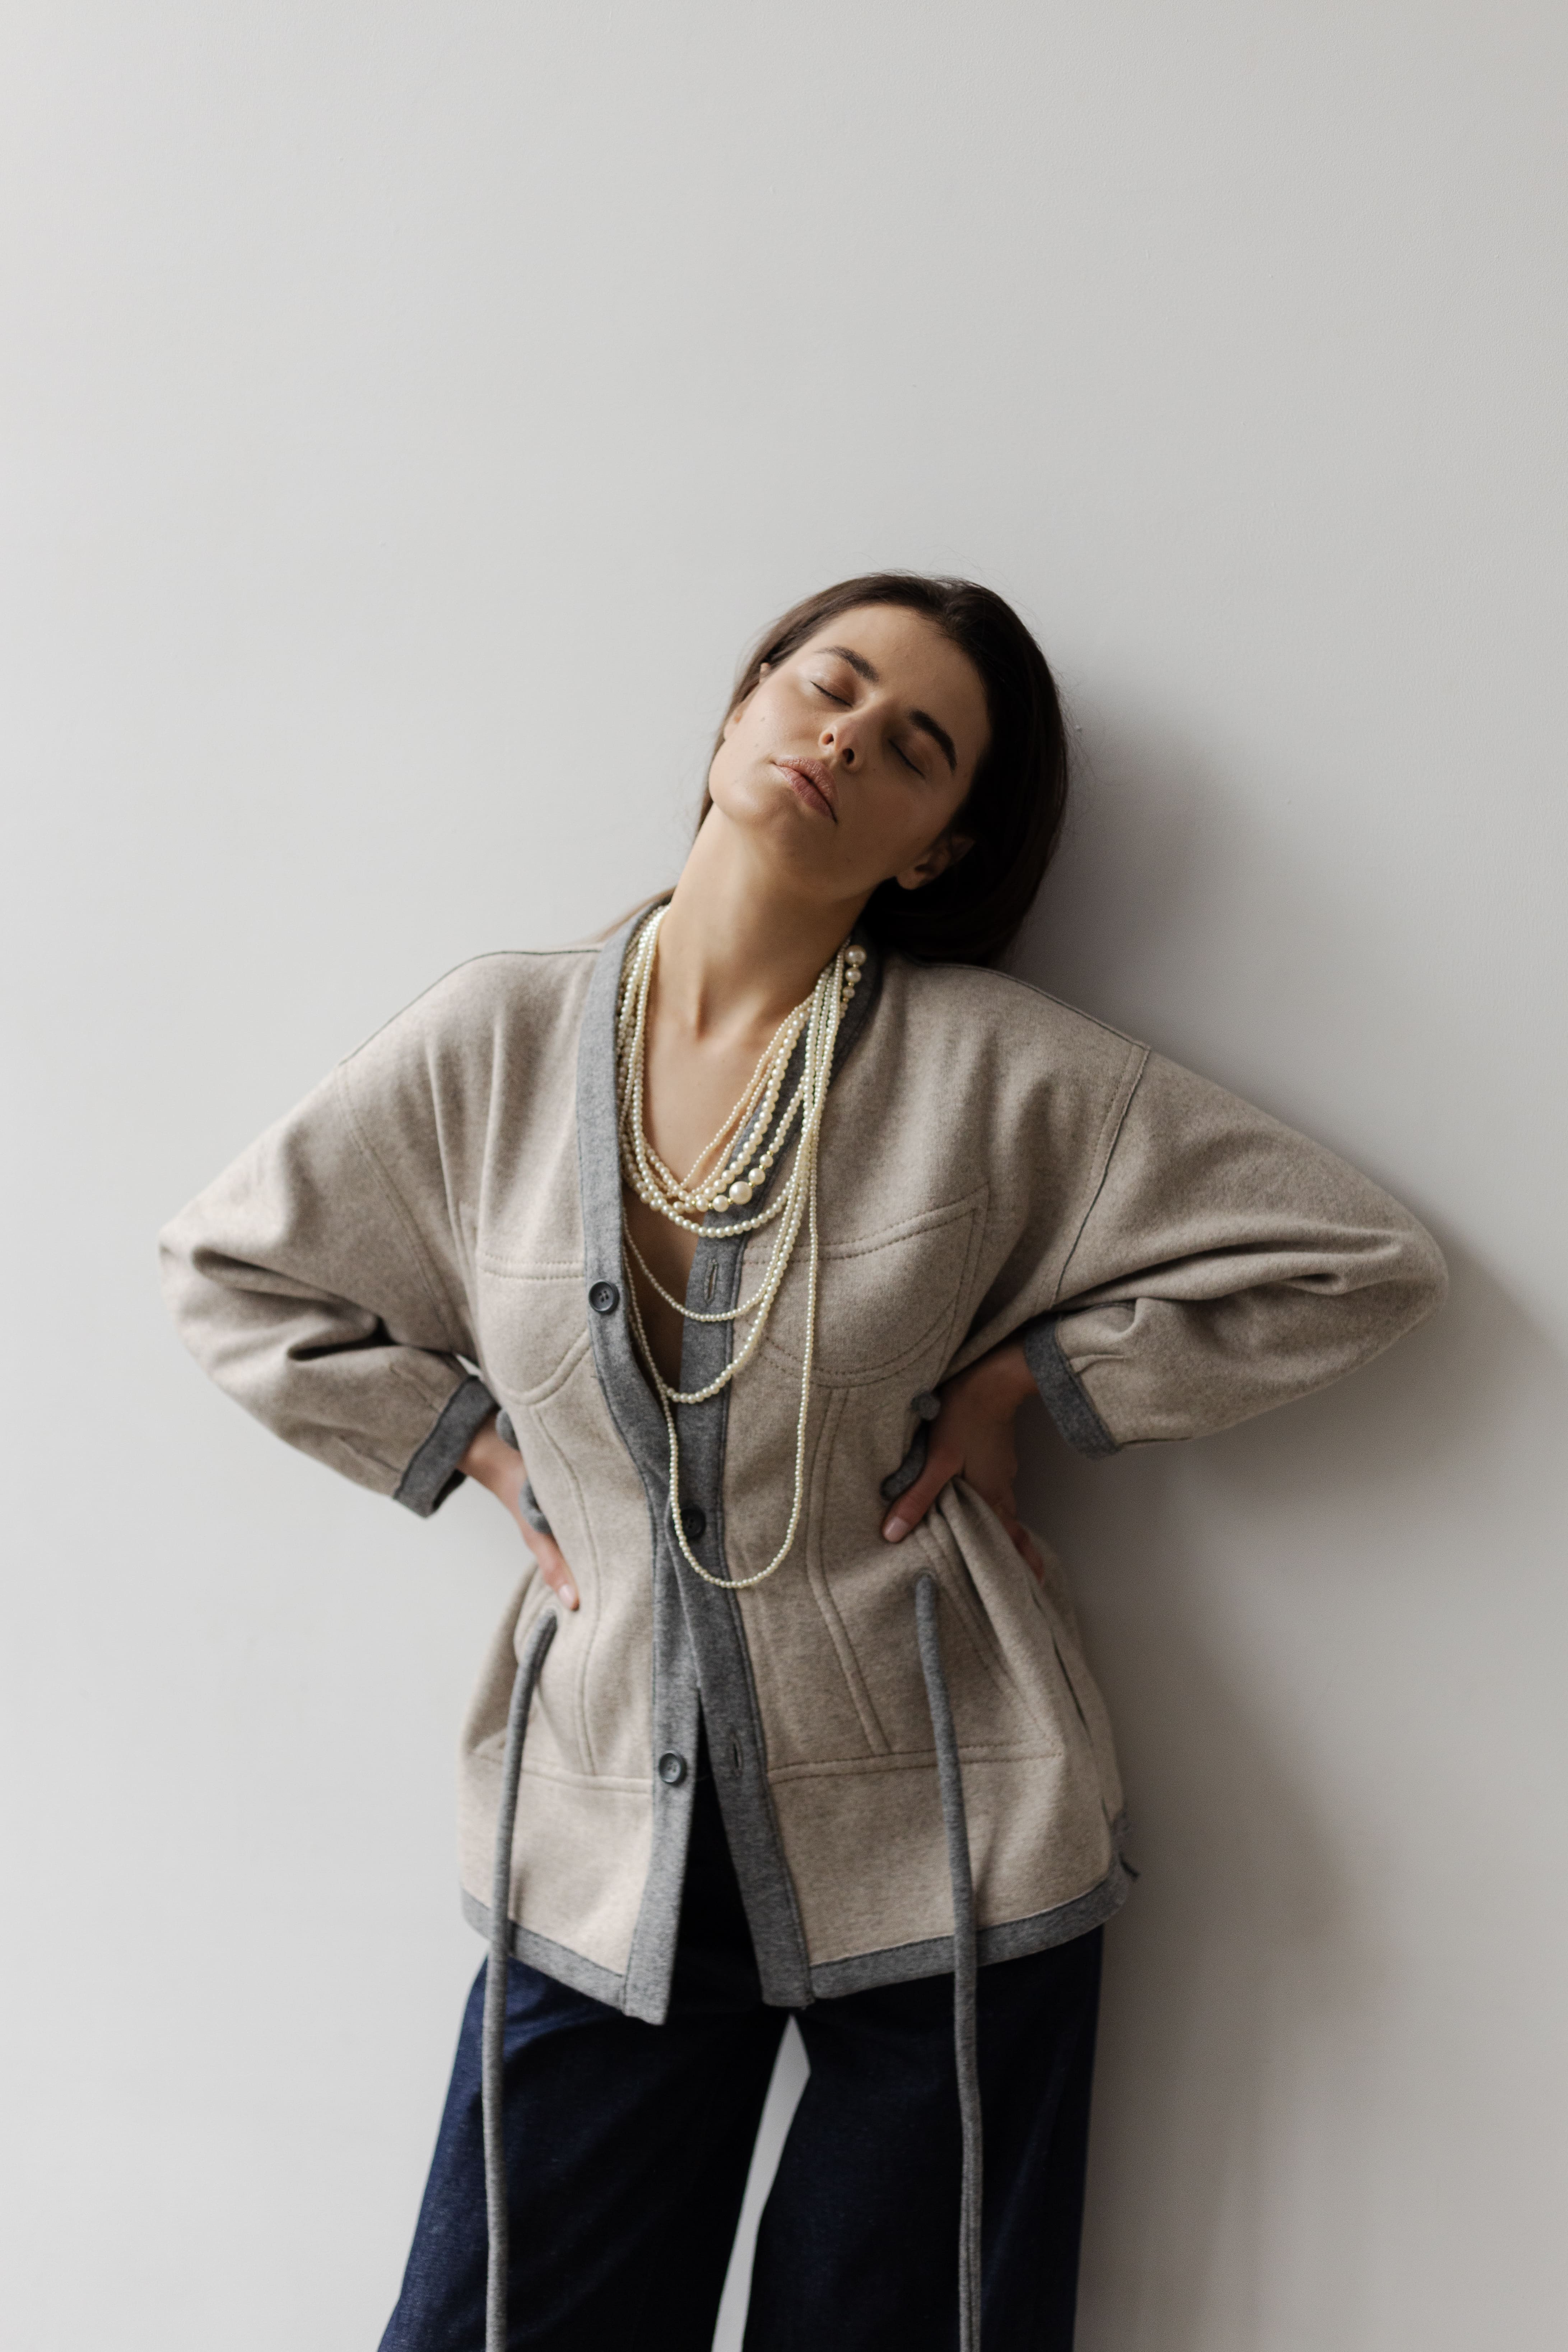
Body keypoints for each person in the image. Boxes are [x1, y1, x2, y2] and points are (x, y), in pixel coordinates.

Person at [159, 572, 1446, 2351]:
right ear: (741, 705)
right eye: (826, 686)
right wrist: (470, 1448)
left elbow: (1358, 1262)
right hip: (603, 1841)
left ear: (938, 846)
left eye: (914, 748)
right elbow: (231, 1270)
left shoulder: (993, 1072)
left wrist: (1031, 1384)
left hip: (955, 1835)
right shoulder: (496, 1043)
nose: (845, 740)